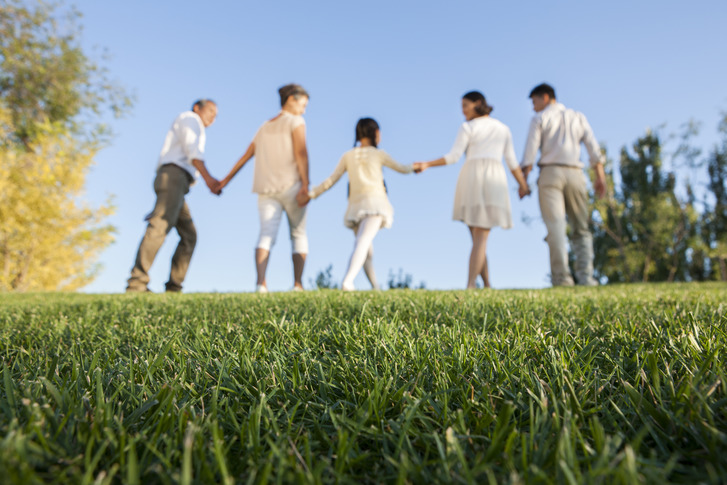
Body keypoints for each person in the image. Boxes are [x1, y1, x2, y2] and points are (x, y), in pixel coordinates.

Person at [413, 91, 529, 289]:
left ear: (478, 103)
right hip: (491, 178)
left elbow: (453, 157)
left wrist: (427, 164)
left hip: (475, 179)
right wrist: (523, 184)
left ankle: (470, 285)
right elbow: (511, 162)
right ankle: (487, 285)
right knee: (478, 238)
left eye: (465, 106)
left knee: (479, 237)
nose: (463, 111)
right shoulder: (501, 128)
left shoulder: (471, 128)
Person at [219, 84, 311, 293]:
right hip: (292, 186)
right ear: (291, 100)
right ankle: (297, 284)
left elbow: (244, 158)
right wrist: (306, 185)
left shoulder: (264, 127)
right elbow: (301, 153)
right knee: (298, 233)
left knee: (266, 234)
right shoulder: (296, 121)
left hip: (266, 189)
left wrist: (224, 182)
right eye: (303, 105)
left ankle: (261, 283)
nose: (304, 110)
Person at [304, 118, 413, 291]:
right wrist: (417, 167)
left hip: (355, 206)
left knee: (364, 246)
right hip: (375, 203)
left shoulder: (348, 155)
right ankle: (348, 281)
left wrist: (312, 194)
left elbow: (331, 180)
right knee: (364, 244)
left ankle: (375, 287)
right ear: (376, 133)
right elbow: (403, 168)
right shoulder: (379, 154)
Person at [126, 99, 222, 293]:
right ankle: (136, 283)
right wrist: (209, 179)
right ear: (197, 108)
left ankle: (174, 286)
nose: (213, 116)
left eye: (216, 114)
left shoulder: (195, 125)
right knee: (159, 227)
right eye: (210, 111)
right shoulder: (190, 119)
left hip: (178, 184)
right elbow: (192, 150)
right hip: (173, 177)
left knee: (189, 236)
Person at [520, 83, 607, 287]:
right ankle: (587, 277)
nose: (533, 107)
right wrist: (600, 176)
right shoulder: (578, 117)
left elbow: (529, 155)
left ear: (546, 97)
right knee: (581, 227)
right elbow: (593, 148)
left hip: (550, 174)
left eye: (534, 102)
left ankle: (562, 279)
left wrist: (523, 182)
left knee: (556, 227)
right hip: (576, 174)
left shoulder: (540, 118)